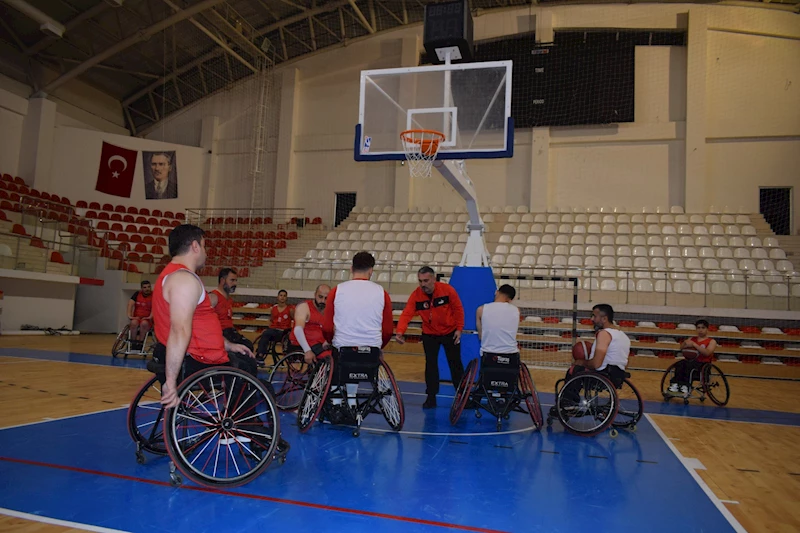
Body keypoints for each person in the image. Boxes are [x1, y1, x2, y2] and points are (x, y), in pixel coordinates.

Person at [154, 224, 288, 454]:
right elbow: (179, 331)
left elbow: (199, 326)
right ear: (195, 246)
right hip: (198, 360)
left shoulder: (175, 276)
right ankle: (244, 431)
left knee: (243, 357)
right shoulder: (184, 281)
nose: (206, 252)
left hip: (200, 352)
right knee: (259, 383)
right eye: (204, 246)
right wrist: (171, 381)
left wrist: (228, 344)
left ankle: (244, 424)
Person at [322, 252, 394, 418]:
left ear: (351, 269)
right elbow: (388, 330)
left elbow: (327, 327)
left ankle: (337, 403)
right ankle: (352, 401)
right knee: (357, 359)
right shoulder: (382, 292)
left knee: (337, 358)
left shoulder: (337, 290)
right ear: (371, 271)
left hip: (344, 350)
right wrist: (379, 346)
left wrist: (329, 340)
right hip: (371, 351)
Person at [395, 266, 464, 408]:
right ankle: (431, 396)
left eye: (426, 280)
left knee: (455, 364)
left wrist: (459, 328)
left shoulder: (447, 290)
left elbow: (458, 309)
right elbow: (407, 313)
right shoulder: (416, 295)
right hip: (429, 334)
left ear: (433, 279)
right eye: (420, 281)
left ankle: (462, 396)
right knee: (431, 365)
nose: (423, 284)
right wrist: (400, 331)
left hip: (449, 332)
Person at [571, 304, 631, 386]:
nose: (592, 319)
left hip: (602, 376)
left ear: (604, 319)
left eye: (594, 316)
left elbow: (596, 364)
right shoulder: (623, 336)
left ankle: (567, 398)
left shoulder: (604, 334)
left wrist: (581, 362)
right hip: (618, 376)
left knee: (574, 369)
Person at [208, 267, 254, 352]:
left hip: (230, 331)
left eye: (236, 280)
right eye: (232, 280)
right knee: (246, 347)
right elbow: (205, 321)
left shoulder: (229, 299)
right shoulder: (213, 297)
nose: (235, 283)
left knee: (248, 346)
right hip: (220, 333)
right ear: (222, 281)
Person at [669, 319, 717, 396]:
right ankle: (675, 384)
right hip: (691, 361)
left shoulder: (711, 341)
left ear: (707, 329)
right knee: (680, 363)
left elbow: (707, 353)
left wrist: (695, 345)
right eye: (698, 328)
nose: (700, 330)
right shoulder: (692, 339)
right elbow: (681, 348)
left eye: (703, 328)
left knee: (688, 365)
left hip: (703, 365)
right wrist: (685, 343)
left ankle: (685, 386)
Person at [291, 285, 331, 364]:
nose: (323, 301)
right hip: (305, 344)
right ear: (315, 295)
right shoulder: (304, 307)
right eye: (320, 297)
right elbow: (298, 329)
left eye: (326, 298)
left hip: (320, 344)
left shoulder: (329, 310)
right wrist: (307, 350)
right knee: (330, 359)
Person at [476, 284, 520, 356]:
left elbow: (480, 336)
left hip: (489, 353)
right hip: (511, 353)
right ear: (510, 300)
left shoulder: (481, 309)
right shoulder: (516, 310)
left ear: (496, 292)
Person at [256, 289, 295, 364]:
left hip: (284, 332)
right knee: (265, 333)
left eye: (284, 296)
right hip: (273, 330)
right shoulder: (273, 309)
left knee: (289, 337)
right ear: (277, 297)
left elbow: (295, 320)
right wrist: (267, 329)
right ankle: (260, 356)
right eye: (281, 295)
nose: (282, 297)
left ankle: (290, 357)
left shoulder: (290, 310)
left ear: (286, 298)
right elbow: (271, 321)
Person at [127, 280, 153, 348]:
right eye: (145, 287)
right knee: (133, 323)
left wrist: (150, 316)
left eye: (149, 287)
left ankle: (140, 343)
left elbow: (155, 307)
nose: (147, 289)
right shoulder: (137, 294)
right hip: (137, 317)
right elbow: (130, 304)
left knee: (144, 323)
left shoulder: (154, 295)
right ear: (141, 288)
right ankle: (133, 342)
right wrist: (129, 315)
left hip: (147, 318)